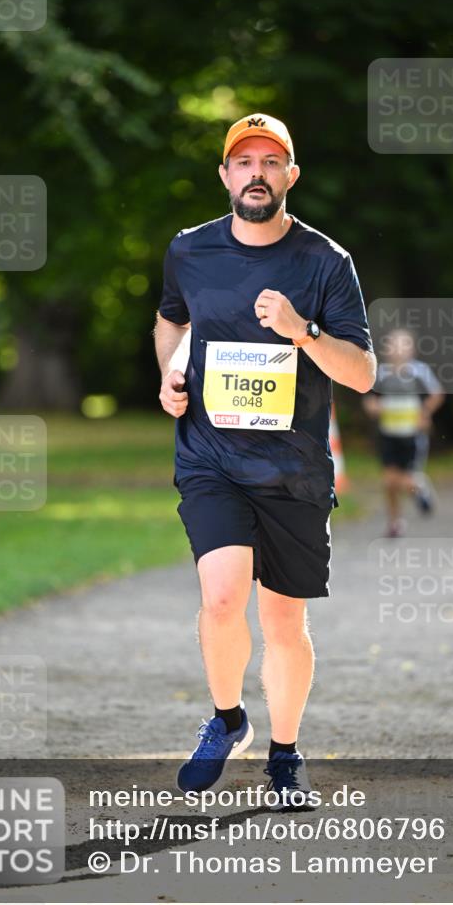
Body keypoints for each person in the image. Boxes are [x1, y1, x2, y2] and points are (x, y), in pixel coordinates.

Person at [154, 113, 375, 808]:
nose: (257, 173)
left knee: (283, 623)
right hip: (211, 457)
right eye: (244, 162)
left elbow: (362, 372)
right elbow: (171, 320)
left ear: (290, 175)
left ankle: (284, 755)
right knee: (221, 599)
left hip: (293, 469)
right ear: (225, 174)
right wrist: (169, 373)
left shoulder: (325, 262)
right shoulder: (189, 250)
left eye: (270, 162)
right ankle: (226, 719)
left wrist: (301, 331)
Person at [362, 328, 445, 537]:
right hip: (388, 434)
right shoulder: (380, 373)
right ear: (386, 349)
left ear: (412, 349)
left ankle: (420, 487)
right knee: (388, 482)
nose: (398, 349)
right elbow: (369, 398)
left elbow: (437, 394)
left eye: (403, 344)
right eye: (393, 344)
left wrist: (424, 412)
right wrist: (373, 407)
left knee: (407, 480)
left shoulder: (419, 372)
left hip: (412, 435)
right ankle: (395, 522)